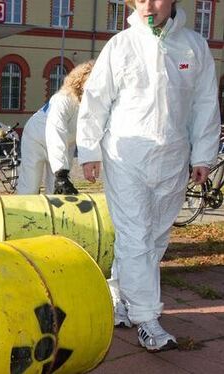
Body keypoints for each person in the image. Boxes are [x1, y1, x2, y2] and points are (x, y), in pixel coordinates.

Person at [77, 0, 220, 352]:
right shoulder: (121, 45)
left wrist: (203, 154)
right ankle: (147, 320)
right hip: (126, 156)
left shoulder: (193, 46)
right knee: (137, 235)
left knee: (154, 238)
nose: (147, 6)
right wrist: (89, 149)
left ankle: (119, 295)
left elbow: (205, 103)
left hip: (173, 158)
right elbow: (95, 99)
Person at [15, 60, 94, 194]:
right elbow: (56, 131)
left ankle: (54, 214)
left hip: (65, 143)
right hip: (36, 139)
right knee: (30, 185)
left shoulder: (94, 105)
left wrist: (90, 157)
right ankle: (22, 213)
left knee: (57, 191)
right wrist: (61, 173)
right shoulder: (64, 99)